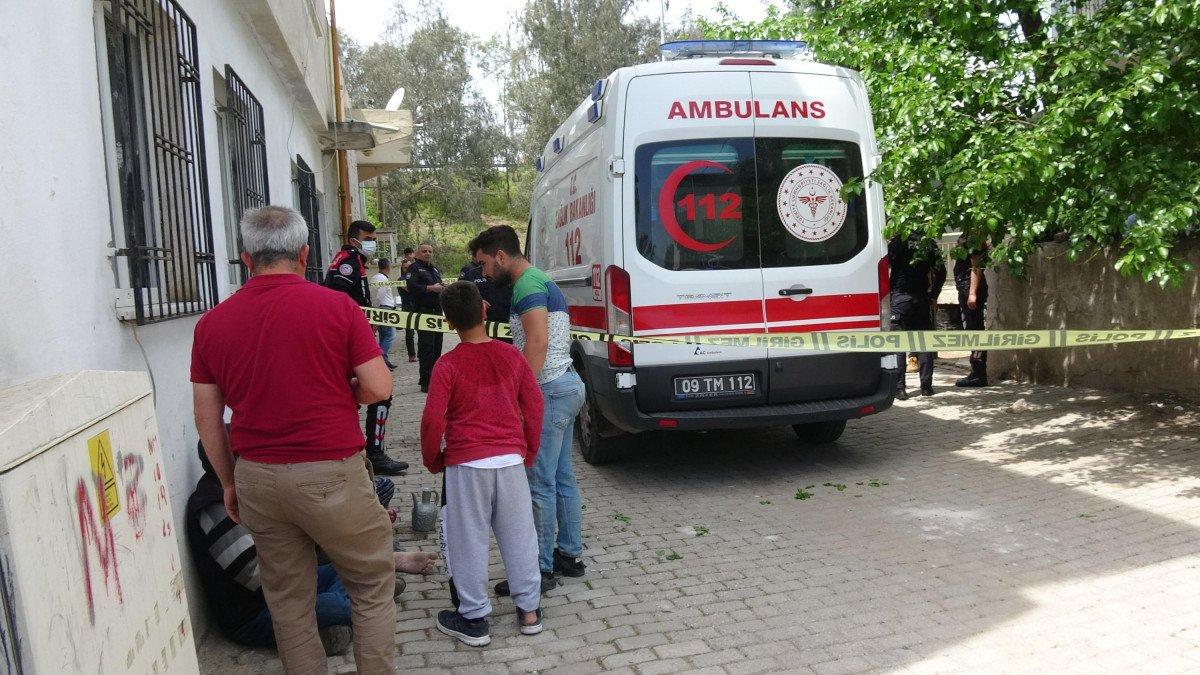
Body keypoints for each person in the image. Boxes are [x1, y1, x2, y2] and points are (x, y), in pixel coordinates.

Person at [191, 205, 398, 674]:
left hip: (258, 478)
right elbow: (379, 386)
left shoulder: (211, 324)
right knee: (369, 584)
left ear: (245, 258)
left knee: (288, 605)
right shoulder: (336, 307)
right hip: (332, 474)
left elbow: (207, 416)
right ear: (305, 254)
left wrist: (228, 481)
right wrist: (347, 393)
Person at [186, 442, 438, 655]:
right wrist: (307, 542)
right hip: (256, 610)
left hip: (292, 580)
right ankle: (362, 597)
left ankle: (359, 594)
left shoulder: (244, 489)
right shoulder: (214, 507)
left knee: (348, 569)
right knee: (338, 602)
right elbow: (258, 579)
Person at [420, 281, 545, 647]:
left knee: (468, 541)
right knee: (520, 535)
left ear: (447, 322)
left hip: (465, 463)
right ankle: (530, 610)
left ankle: (474, 618)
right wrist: (529, 451)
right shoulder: (512, 357)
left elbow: (431, 420)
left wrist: (433, 459)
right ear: (485, 310)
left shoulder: (447, 365)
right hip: (509, 459)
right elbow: (534, 406)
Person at [469, 225, 586, 594]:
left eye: (485, 264)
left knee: (539, 483)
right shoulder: (538, 279)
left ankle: (539, 570)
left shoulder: (527, 285)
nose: (484, 273)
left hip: (549, 390)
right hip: (566, 384)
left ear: (501, 256)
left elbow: (536, 341)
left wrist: (523, 396)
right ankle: (570, 555)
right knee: (562, 478)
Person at [325, 220, 407, 476]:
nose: (372, 242)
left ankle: (365, 451)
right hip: (346, 340)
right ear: (354, 240)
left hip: (353, 336)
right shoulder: (347, 263)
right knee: (381, 392)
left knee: (371, 393)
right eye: (368, 237)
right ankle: (372, 452)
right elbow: (340, 301)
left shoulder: (354, 261)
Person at [888, 233, 941, 397]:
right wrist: (933, 295)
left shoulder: (898, 240)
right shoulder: (928, 241)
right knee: (924, 342)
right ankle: (926, 387)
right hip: (922, 298)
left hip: (900, 297)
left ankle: (899, 388)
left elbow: (882, 265)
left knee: (899, 344)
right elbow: (941, 271)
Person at [407, 243, 446, 392]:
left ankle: (435, 379)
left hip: (437, 312)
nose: (427, 253)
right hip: (424, 313)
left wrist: (442, 287)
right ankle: (425, 381)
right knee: (426, 348)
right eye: (424, 251)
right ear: (417, 253)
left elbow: (438, 284)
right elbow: (411, 287)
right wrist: (431, 288)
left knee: (437, 347)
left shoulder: (434, 269)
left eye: (430, 251)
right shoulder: (414, 268)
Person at [954, 233, 990, 387]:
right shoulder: (970, 233)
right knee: (973, 331)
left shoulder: (974, 235)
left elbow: (976, 266)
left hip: (970, 289)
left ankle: (978, 373)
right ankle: (977, 372)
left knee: (975, 332)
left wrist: (972, 293)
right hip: (968, 288)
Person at [460, 259, 514, 341]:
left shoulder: (509, 272)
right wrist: (476, 301)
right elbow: (461, 295)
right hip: (484, 324)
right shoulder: (471, 273)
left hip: (507, 323)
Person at [370, 258, 398, 370]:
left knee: (383, 335)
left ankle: (384, 359)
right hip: (384, 308)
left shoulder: (375, 277)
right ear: (388, 267)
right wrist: (377, 309)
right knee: (390, 335)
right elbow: (380, 295)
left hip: (380, 307)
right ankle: (382, 359)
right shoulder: (382, 279)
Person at [398, 248, 417, 363]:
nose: (407, 269)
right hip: (407, 308)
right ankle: (411, 355)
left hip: (417, 306)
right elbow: (410, 289)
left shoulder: (414, 277)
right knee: (409, 333)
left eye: (409, 267)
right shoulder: (401, 279)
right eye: (405, 268)